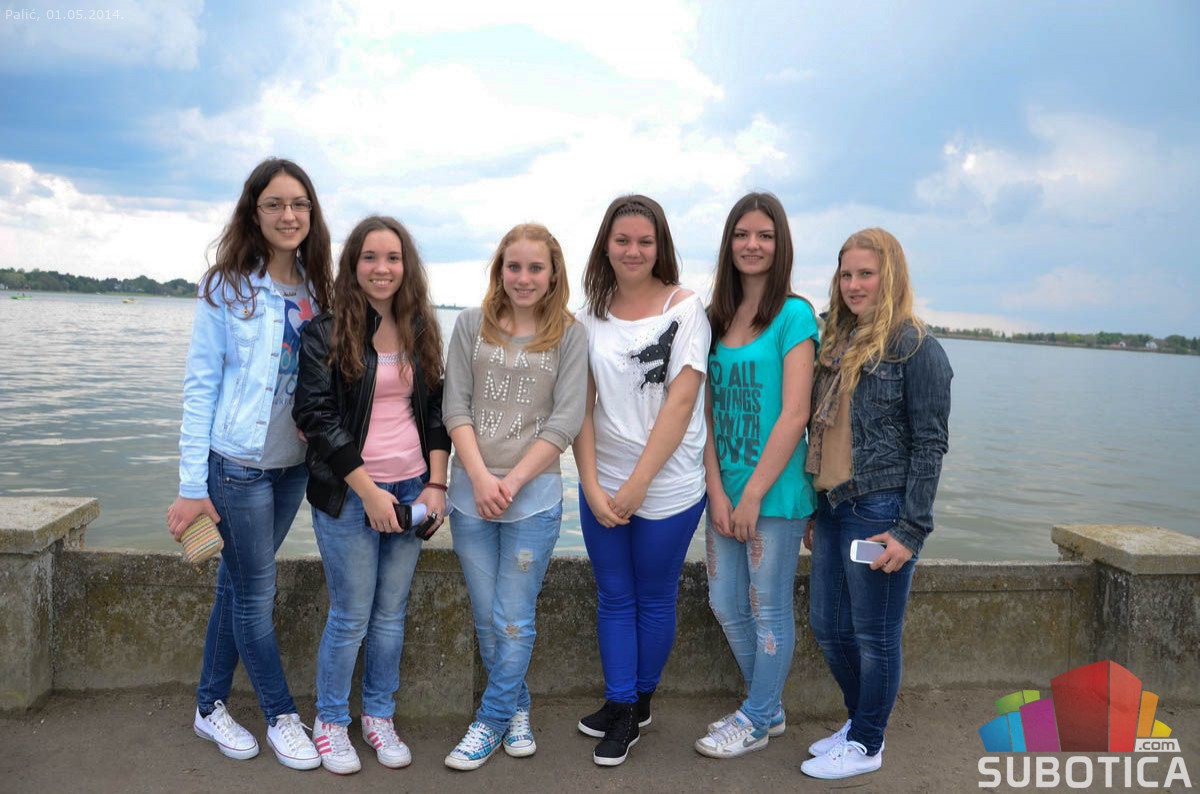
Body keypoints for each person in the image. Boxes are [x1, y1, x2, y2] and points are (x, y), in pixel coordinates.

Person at [166, 157, 332, 770]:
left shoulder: (321, 289)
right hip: (236, 467)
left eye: (299, 204)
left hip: (293, 468)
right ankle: (282, 715)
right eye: (275, 204)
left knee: (236, 588)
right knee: (256, 595)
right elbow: (200, 388)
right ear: (254, 212)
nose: (289, 215)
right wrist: (191, 485)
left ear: (312, 214)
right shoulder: (227, 287)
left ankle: (208, 706)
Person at [293, 216, 450, 774]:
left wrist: (436, 485)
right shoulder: (325, 331)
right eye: (370, 257)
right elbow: (316, 415)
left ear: (407, 266)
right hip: (349, 494)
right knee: (351, 615)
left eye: (393, 258)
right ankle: (331, 722)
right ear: (352, 264)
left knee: (390, 616)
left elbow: (435, 411)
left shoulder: (421, 327)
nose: (382, 269)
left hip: (412, 487)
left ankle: (378, 716)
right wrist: (369, 494)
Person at [800, 228, 952, 780]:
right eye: (846, 274)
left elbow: (930, 444)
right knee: (828, 627)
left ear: (891, 276)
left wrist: (911, 531)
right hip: (834, 505)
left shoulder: (916, 347)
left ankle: (867, 744)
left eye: (866, 273)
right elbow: (823, 431)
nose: (854, 284)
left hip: (881, 510)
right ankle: (861, 721)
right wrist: (814, 507)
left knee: (875, 635)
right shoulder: (836, 342)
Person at [440, 223, 588, 770]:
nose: (523, 278)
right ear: (500, 269)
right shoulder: (469, 325)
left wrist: (513, 480)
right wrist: (480, 478)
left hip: (534, 498)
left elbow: (566, 419)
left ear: (553, 274)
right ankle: (517, 707)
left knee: (514, 617)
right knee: (487, 616)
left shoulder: (570, 334)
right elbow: (455, 406)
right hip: (471, 495)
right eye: (514, 266)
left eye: (535, 268)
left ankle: (490, 720)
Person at [573, 195, 711, 766]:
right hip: (602, 480)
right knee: (613, 595)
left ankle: (636, 705)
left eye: (645, 242)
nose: (633, 251)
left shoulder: (686, 309)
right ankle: (621, 700)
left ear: (660, 247)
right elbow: (580, 406)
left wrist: (638, 484)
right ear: (606, 245)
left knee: (653, 597)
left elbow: (681, 403)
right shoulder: (588, 316)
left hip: (669, 485)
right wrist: (590, 483)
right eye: (623, 240)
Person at [694, 193, 819, 758]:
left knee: (769, 609)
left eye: (765, 235)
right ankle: (766, 707)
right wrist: (718, 490)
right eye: (742, 234)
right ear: (729, 243)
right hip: (724, 491)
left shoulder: (794, 315)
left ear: (780, 244)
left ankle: (756, 716)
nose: (752, 245)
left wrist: (753, 496)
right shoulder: (714, 318)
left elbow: (795, 414)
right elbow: (706, 414)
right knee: (725, 602)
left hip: (776, 494)